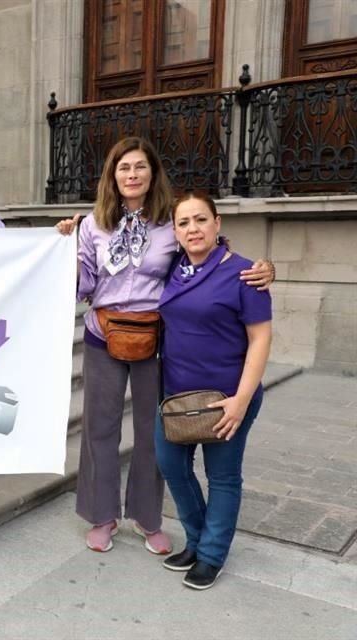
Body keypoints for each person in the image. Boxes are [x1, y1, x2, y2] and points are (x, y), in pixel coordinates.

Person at [54, 136, 275, 555]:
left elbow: (206, 257)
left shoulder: (169, 222)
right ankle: (102, 515)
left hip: (156, 338)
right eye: (123, 168)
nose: (132, 174)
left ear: (152, 173)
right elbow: (82, 280)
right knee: (99, 430)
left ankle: (147, 517)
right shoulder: (91, 225)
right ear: (112, 175)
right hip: (104, 333)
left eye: (140, 167)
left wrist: (264, 268)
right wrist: (62, 248)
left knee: (152, 435)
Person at [155, 193, 272, 590]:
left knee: (222, 477)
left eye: (200, 219)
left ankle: (211, 555)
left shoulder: (244, 274)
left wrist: (241, 400)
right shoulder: (173, 268)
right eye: (184, 222)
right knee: (171, 465)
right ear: (175, 231)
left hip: (227, 397)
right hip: (176, 398)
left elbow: (260, 339)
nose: (193, 229)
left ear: (217, 223)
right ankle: (197, 540)